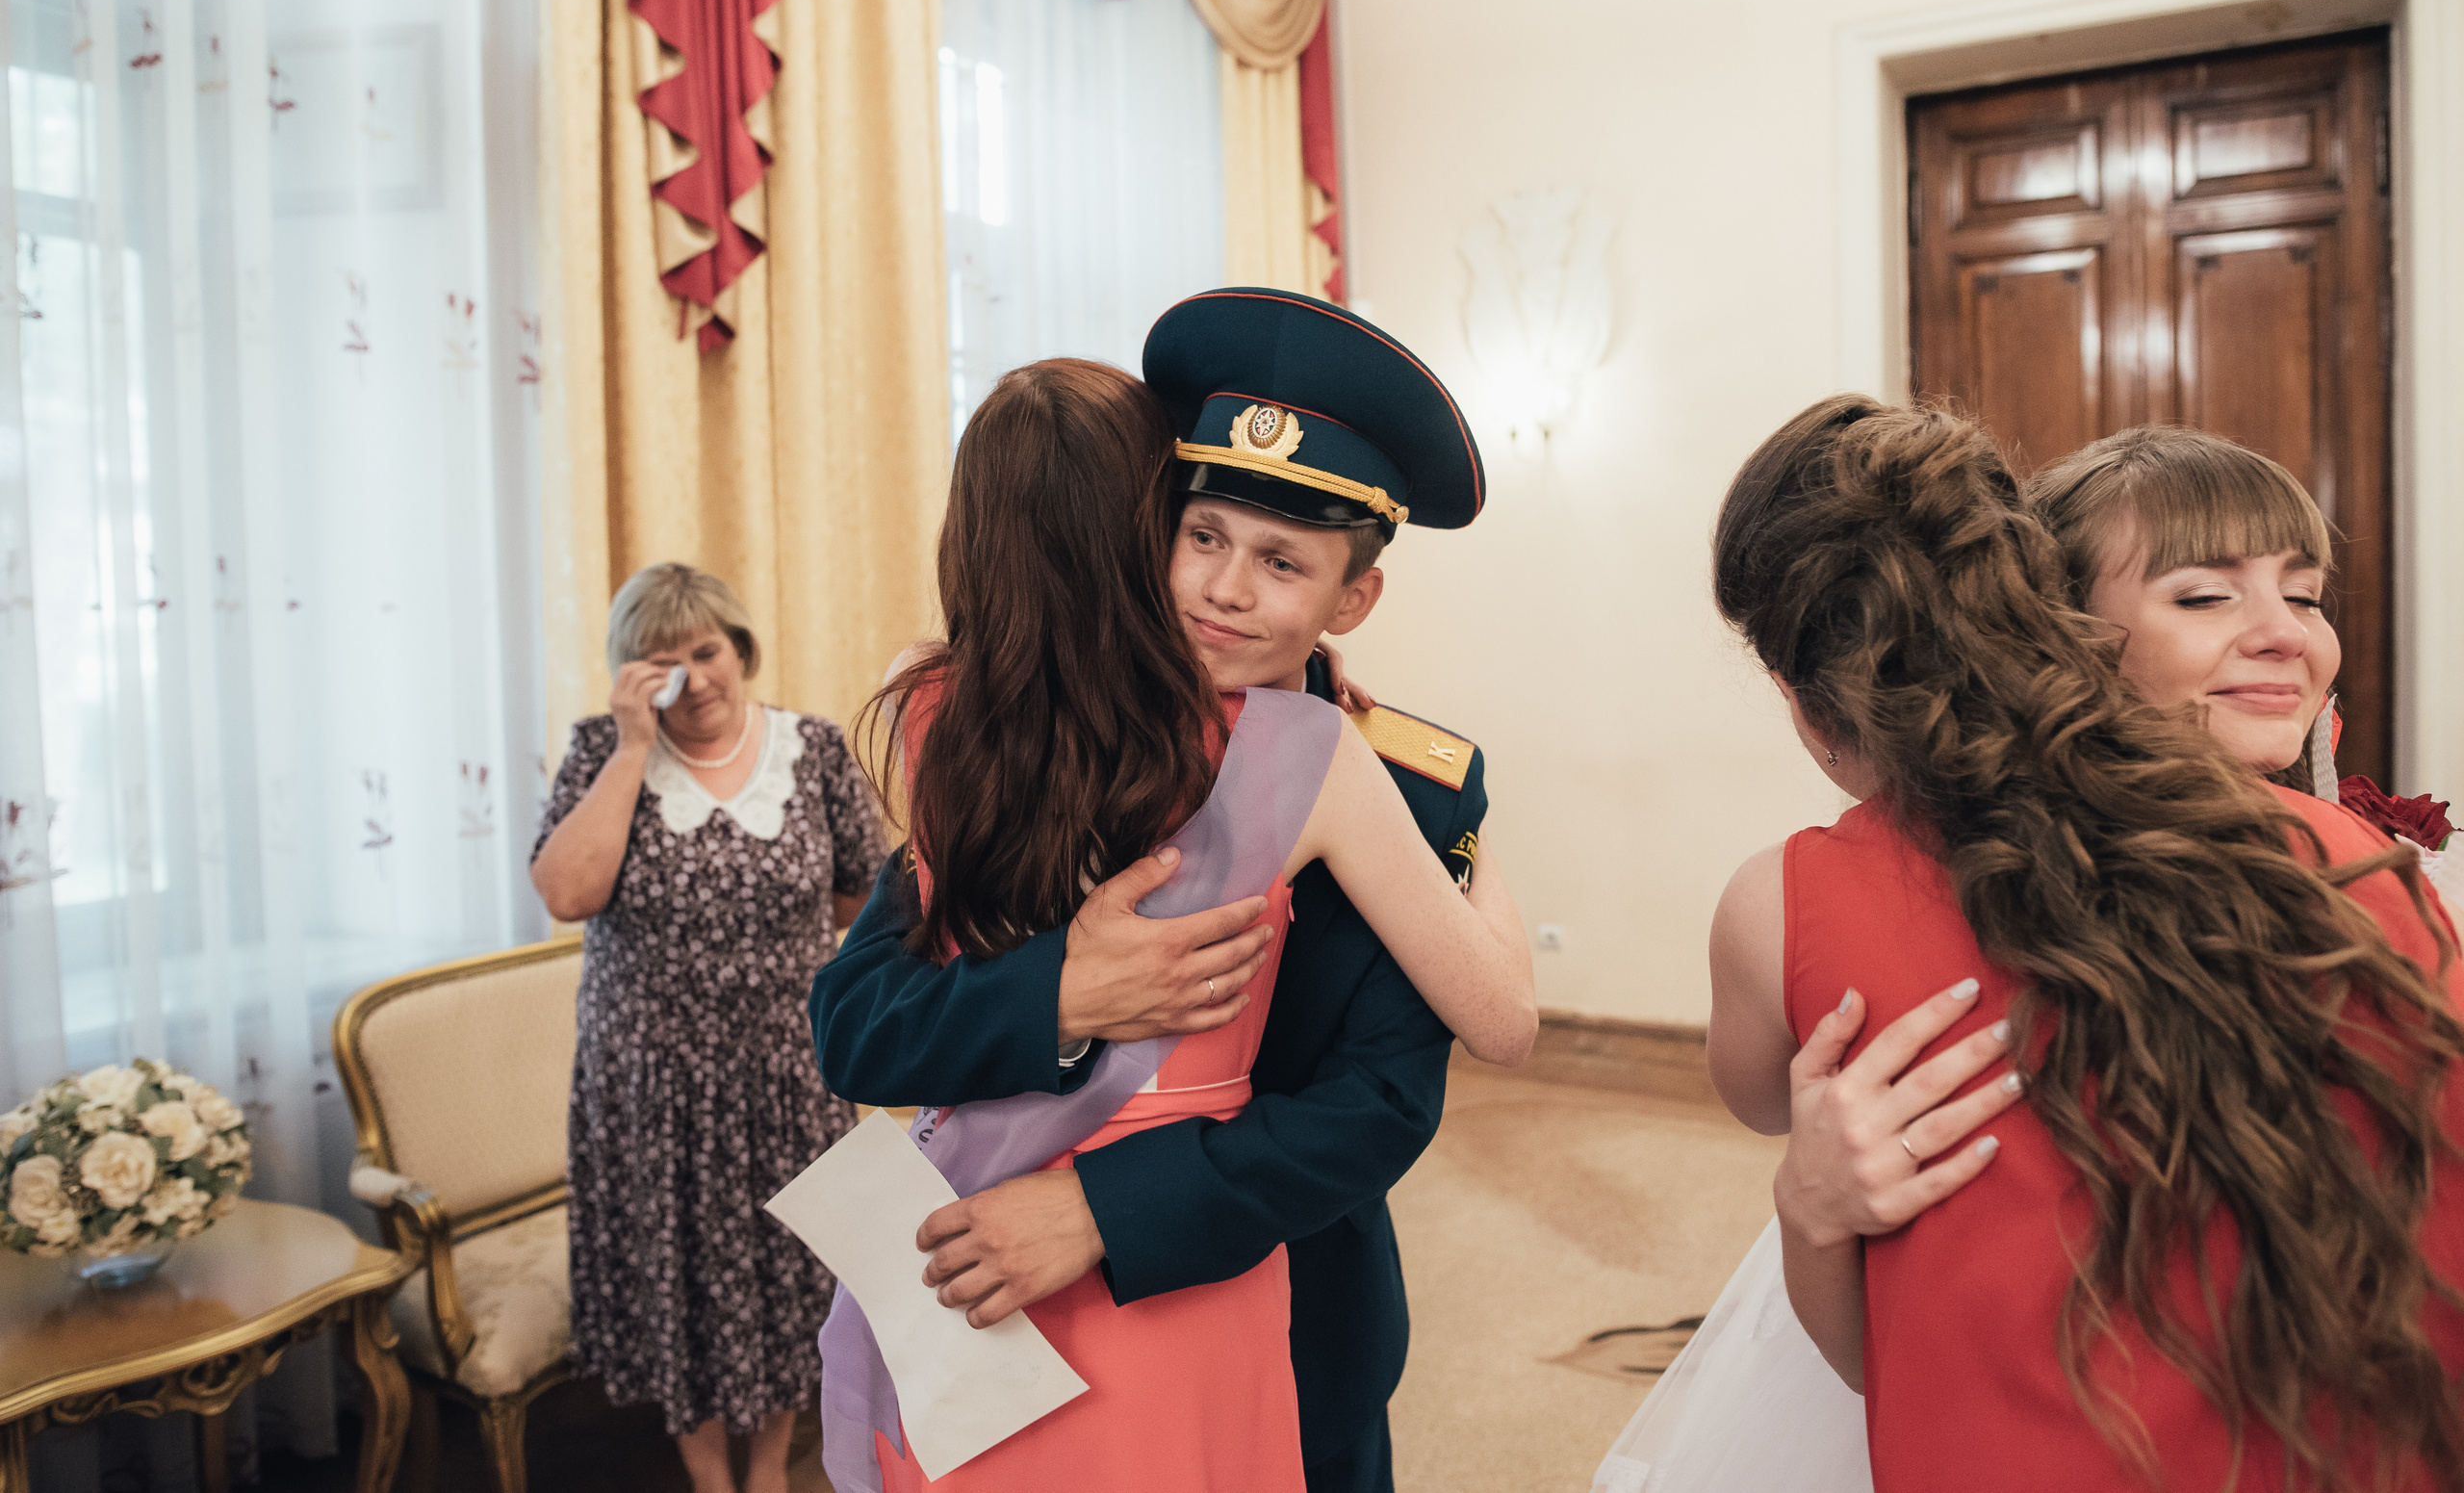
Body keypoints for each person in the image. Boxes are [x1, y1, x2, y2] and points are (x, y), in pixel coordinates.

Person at [1614, 399, 2464, 1493]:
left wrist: (1811, 1211)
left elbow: (1880, 1354)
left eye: (2303, 593)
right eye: (2202, 593)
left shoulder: (1796, 898)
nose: (2282, 632)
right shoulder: (2350, 860)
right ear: (2062, 628)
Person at [811, 288, 1520, 1493]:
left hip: (1281, 1299)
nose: (1224, 589)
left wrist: (1100, 1207)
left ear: (1352, 595)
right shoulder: (1019, 740)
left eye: (1281, 559)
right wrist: (1062, 989)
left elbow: (1379, 1105)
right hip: (985, 1279)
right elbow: (862, 1017)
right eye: (1201, 535)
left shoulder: (1411, 784)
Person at [529, 562, 886, 1493]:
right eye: (661, 660)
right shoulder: (597, 751)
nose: (693, 675)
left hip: (786, 1077)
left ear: (739, 650)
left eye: (706, 650)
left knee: (784, 1281)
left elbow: (862, 891)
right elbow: (568, 892)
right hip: (649, 1087)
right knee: (672, 1282)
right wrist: (627, 746)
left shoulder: (813, 749)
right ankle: (706, 1477)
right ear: (630, 674)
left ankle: (768, 1469)